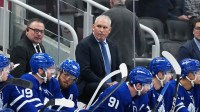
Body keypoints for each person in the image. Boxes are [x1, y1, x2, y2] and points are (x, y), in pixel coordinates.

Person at [75, 15, 121, 104]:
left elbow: (118, 68)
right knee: (108, 90)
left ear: (109, 30)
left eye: (105, 27)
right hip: (90, 84)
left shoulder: (113, 46)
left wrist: (117, 82)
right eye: (99, 26)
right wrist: (104, 83)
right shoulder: (84, 45)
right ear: (93, 27)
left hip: (109, 84)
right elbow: (85, 71)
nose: (101, 30)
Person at [103, 0, 145, 71]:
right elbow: (140, 39)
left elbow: (99, 36)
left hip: (110, 59)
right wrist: (140, 52)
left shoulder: (106, 15)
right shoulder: (133, 16)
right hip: (127, 60)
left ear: (111, 1)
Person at [86, 66, 152, 112]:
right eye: (147, 85)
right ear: (138, 86)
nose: (149, 88)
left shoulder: (142, 95)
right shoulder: (117, 93)